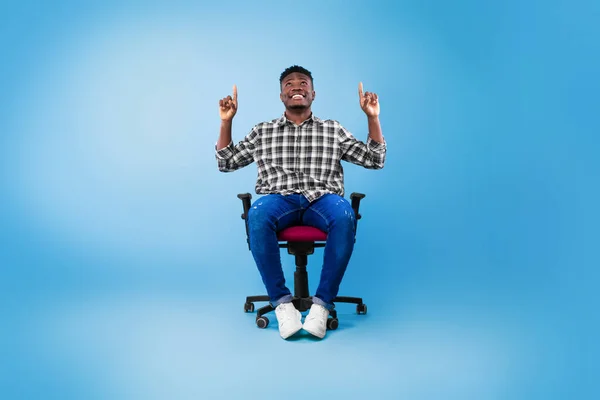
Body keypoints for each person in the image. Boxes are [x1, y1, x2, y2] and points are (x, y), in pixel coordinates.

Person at [215, 65, 386, 339]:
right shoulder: (263, 131)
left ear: (313, 93)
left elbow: (375, 160)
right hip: (279, 199)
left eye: (303, 83)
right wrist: (226, 121)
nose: (297, 86)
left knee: (344, 215)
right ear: (282, 95)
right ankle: (283, 305)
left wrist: (372, 118)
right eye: (289, 84)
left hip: (322, 199)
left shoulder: (333, 129)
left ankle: (321, 306)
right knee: (257, 213)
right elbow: (226, 162)